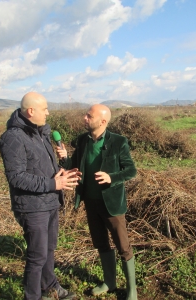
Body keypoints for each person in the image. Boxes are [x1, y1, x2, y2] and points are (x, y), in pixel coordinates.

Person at [0, 92, 80, 300]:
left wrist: (59, 172)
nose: (48, 112)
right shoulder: (13, 138)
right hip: (32, 206)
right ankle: (32, 296)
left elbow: (40, 167)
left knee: (49, 249)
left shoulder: (41, 133)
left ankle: (49, 285)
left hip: (50, 200)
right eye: (44, 109)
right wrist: (54, 183)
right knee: (37, 256)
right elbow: (16, 177)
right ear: (31, 111)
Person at [56, 104, 138, 300]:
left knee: (123, 247)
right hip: (91, 202)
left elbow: (130, 170)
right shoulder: (83, 141)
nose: (84, 118)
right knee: (101, 243)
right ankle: (109, 282)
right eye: (85, 114)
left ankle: (132, 290)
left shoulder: (118, 142)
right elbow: (73, 165)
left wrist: (112, 178)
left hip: (112, 204)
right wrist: (65, 159)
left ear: (102, 121)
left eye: (88, 116)